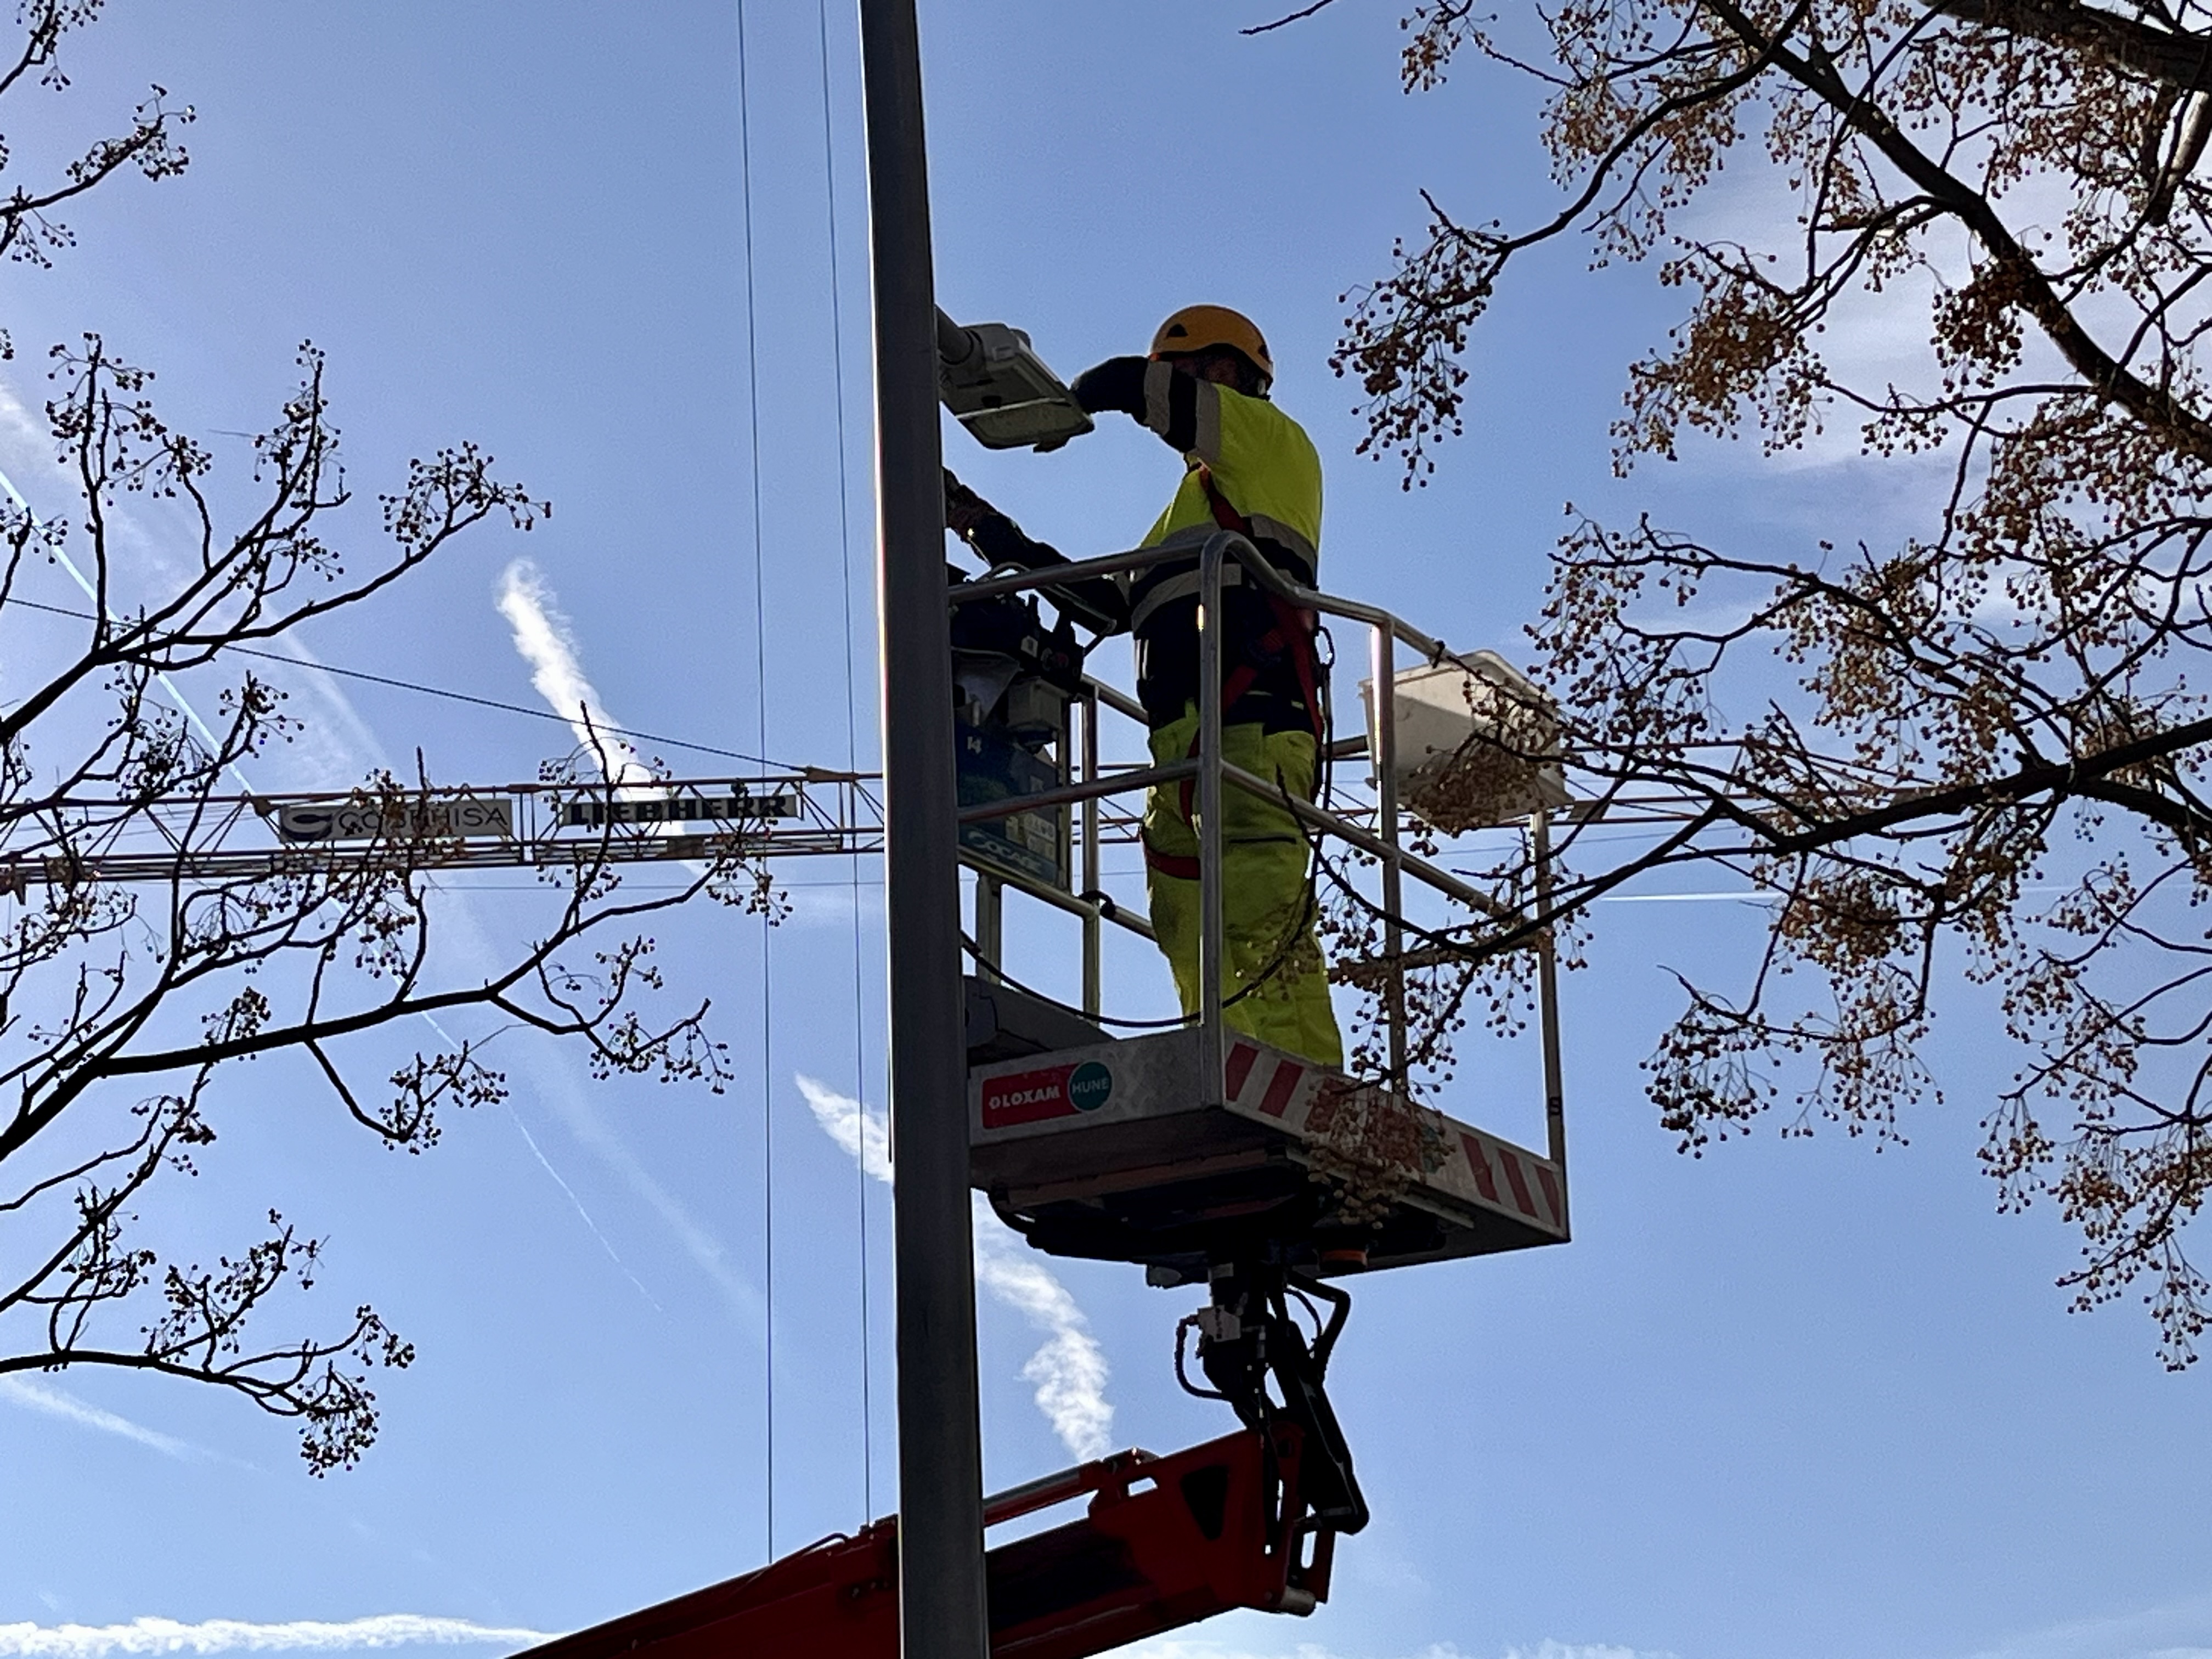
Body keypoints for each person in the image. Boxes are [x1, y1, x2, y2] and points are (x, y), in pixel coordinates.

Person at [945, 305, 1341, 1066]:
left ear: (1238, 375)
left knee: (1261, 916)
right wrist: (978, 522)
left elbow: (1136, 385)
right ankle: (1226, 1059)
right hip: (1184, 750)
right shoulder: (1187, 511)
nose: (1188, 385)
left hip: (1255, 728)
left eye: (1199, 370)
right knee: (1185, 917)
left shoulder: (1271, 440)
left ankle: (1317, 1095)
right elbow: (1104, 602)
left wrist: (1070, 403)